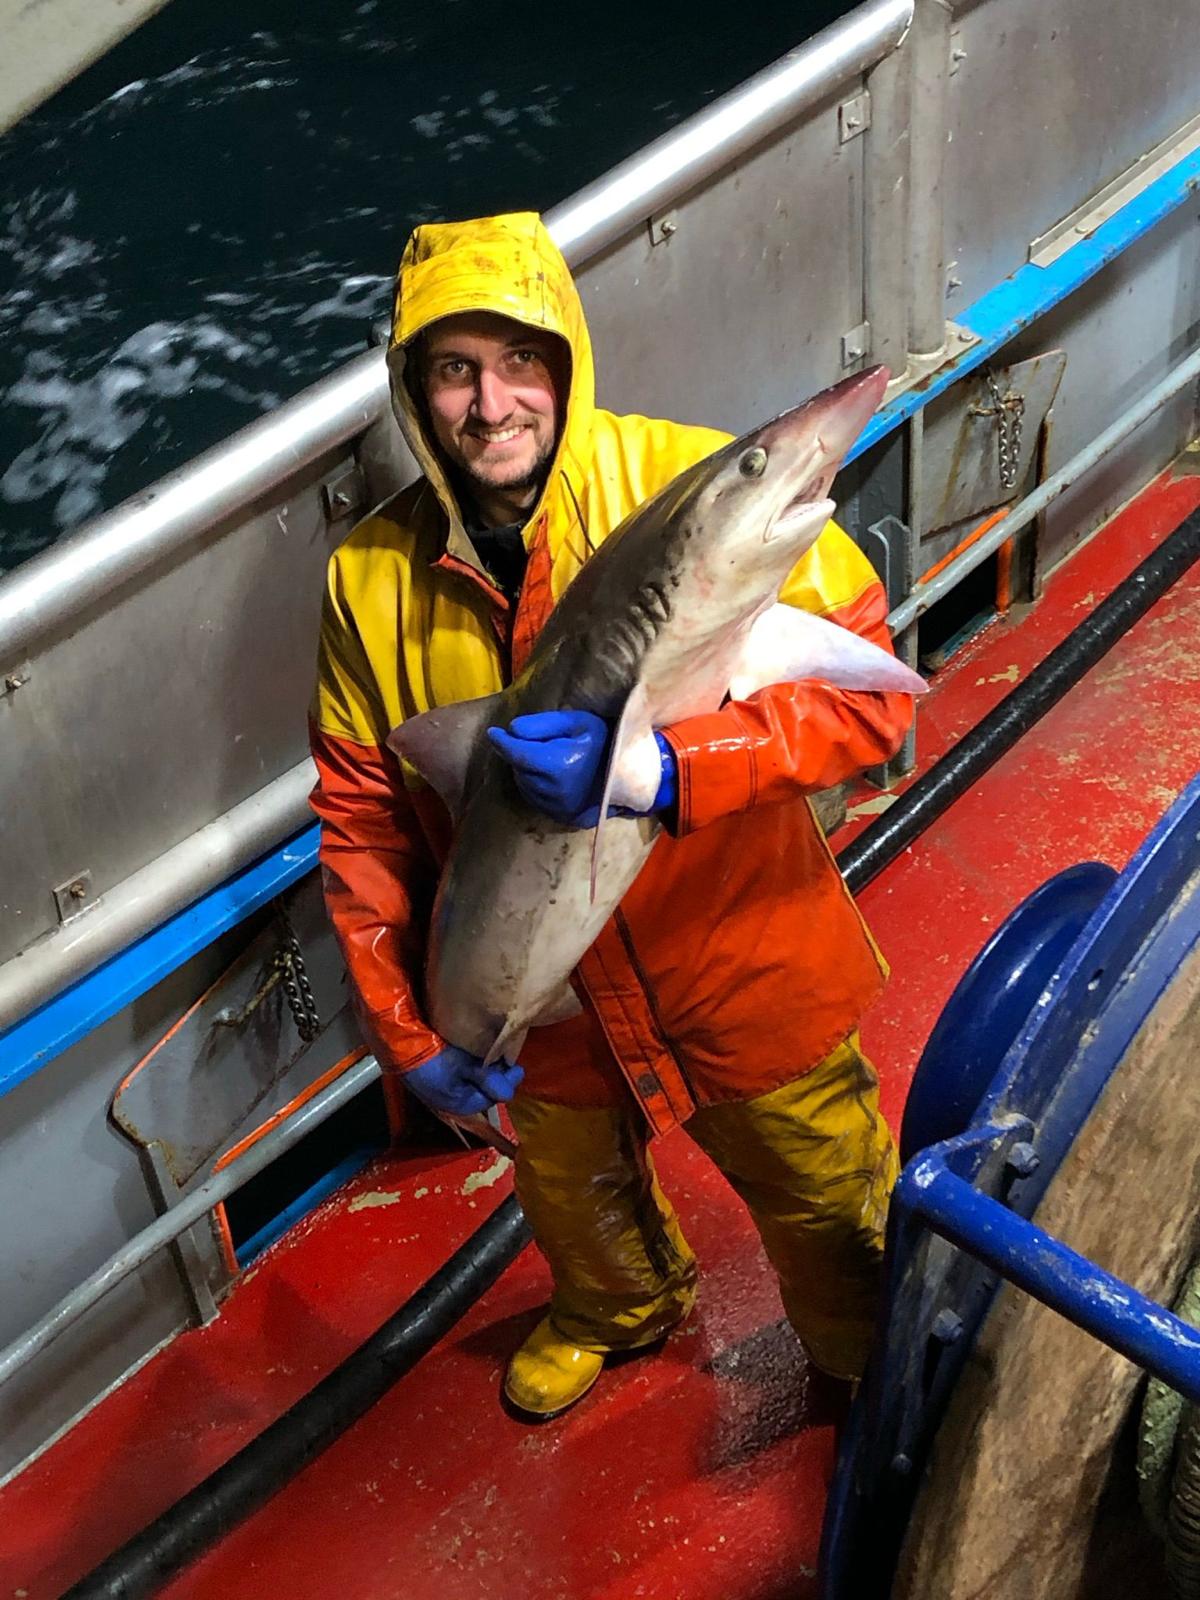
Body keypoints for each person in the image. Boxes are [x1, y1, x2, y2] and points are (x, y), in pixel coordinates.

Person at [309, 211, 914, 1420]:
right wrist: (410, 1035)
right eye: (453, 371)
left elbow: (873, 715)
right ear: (412, 392)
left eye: (520, 362)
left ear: (567, 364)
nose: (493, 405)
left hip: (738, 950)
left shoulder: (678, 477)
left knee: (834, 1205)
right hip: (536, 998)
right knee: (571, 1198)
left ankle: (873, 1362)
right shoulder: (366, 579)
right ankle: (620, 1309)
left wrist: (674, 770)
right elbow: (365, 822)